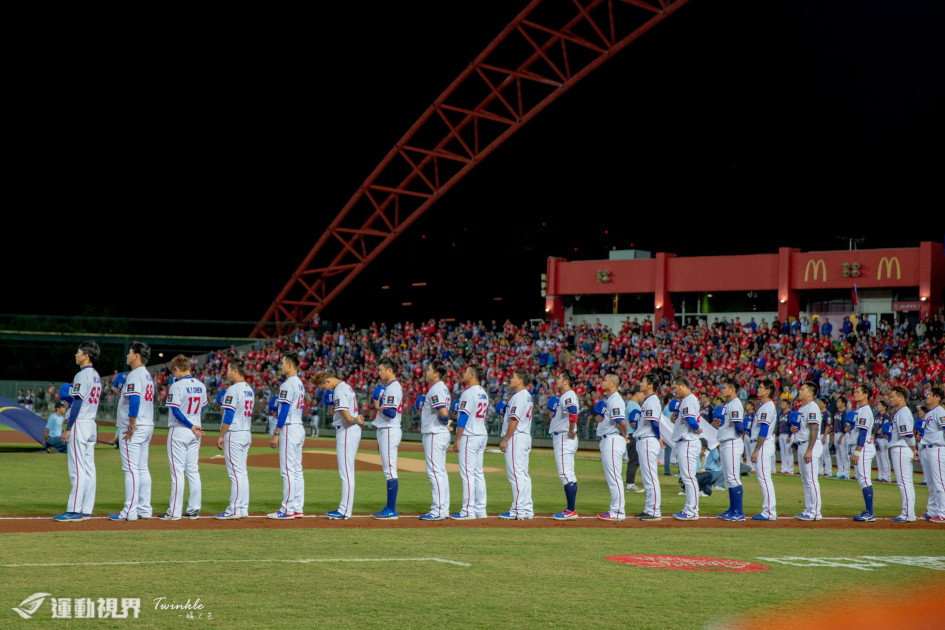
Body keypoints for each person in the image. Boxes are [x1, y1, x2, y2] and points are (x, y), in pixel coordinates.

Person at [54, 341, 102, 522]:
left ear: (86, 356)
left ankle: (74, 510)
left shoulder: (82, 375)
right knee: (89, 468)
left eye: (78, 352)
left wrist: (68, 428)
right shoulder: (96, 375)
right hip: (91, 423)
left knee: (77, 468)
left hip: (80, 423)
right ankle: (86, 508)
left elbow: (79, 402)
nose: (76, 355)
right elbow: (80, 401)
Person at [109, 341, 155, 522]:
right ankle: (144, 508)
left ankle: (129, 511)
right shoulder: (146, 375)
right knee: (142, 468)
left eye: (129, 353)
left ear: (136, 355)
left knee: (130, 470)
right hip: (147, 425)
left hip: (136, 427)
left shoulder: (135, 374)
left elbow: (134, 400)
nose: (127, 355)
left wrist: (131, 425)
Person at [160, 354, 206, 520]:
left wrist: (189, 424)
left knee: (177, 472)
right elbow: (201, 408)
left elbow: (176, 411)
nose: (174, 375)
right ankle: (194, 508)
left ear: (178, 369)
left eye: (174, 372)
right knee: (193, 470)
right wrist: (194, 423)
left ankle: (174, 511)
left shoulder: (176, 386)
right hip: (196, 430)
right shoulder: (201, 385)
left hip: (181, 429)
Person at [315, 369, 364, 520]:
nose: (324, 389)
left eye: (323, 387)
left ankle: (344, 510)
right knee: (347, 471)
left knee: (346, 472)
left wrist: (357, 420)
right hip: (347, 430)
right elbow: (342, 412)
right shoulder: (345, 387)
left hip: (347, 430)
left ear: (328, 381)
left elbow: (348, 417)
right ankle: (344, 509)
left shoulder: (340, 391)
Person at [215, 358, 255, 520]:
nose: (227, 373)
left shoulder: (233, 389)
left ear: (236, 371)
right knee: (242, 473)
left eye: (229, 370)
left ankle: (234, 509)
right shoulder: (249, 389)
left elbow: (229, 415)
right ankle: (243, 508)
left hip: (235, 433)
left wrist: (221, 435)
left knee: (235, 474)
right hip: (246, 432)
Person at [268, 351, 306, 520]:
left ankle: (287, 509)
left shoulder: (288, 384)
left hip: (289, 428)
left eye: (283, 363)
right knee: (297, 470)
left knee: (288, 470)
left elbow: (283, 411)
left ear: (290, 365)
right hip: (298, 426)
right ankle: (297, 507)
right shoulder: (299, 384)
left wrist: (276, 432)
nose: (281, 366)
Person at [450, 364, 489, 520]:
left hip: (470, 435)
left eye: (466, 372)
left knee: (467, 474)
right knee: (478, 473)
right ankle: (480, 509)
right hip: (481, 434)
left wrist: (457, 439)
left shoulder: (468, 393)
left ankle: (467, 510)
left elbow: (464, 417)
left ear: (472, 375)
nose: (463, 374)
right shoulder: (483, 393)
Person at [371, 357, 404, 520]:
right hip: (385, 430)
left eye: (381, 370)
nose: (379, 373)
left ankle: (391, 509)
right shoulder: (389, 387)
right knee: (388, 469)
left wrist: (377, 405)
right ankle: (389, 508)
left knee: (390, 469)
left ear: (389, 370)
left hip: (390, 430)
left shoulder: (393, 388)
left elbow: (391, 413)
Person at [419, 360, 451, 520]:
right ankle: (443, 509)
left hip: (434, 434)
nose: (426, 372)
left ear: (436, 374)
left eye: (429, 370)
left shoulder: (436, 389)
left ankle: (438, 510)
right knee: (441, 472)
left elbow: (444, 412)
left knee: (435, 472)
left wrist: (444, 421)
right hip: (439, 433)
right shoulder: (442, 388)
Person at [499, 368, 534, 520]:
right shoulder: (526, 396)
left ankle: (518, 509)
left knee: (515, 474)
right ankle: (526, 508)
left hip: (517, 437)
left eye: (513, 377)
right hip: (524, 436)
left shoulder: (519, 396)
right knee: (523, 474)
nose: (510, 380)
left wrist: (506, 439)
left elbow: (514, 420)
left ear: (520, 380)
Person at [547, 369, 580, 520]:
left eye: (559, 378)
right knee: (569, 474)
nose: (557, 380)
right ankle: (570, 509)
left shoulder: (568, 395)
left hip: (563, 437)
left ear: (566, 381)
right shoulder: (566, 396)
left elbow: (573, 411)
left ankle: (571, 510)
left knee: (565, 474)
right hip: (564, 436)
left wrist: (571, 430)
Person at [595, 372, 627, 521]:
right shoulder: (609, 400)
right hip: (608, 439)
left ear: (613, 384)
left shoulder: (615, 399)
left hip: (613, 439)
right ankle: (616, 509)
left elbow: (621, 422)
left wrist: (624, 435)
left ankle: (618, 511)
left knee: (614, 477)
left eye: (605, 380)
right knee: (612, 477)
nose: (602, 382)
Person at [670, 376, 703, 521]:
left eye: (675, 388)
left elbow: (691, 420)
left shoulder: (688, 400)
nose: (674, 391)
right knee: (687, 477)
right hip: (685, 442)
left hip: (688, 442)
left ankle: (692, 510)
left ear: (682, 386)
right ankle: (689, 507)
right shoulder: (687, 401)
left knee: (689, 477)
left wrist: (696, 428)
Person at [714, 377, 746, 521]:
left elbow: (739, 426)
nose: (722, 389)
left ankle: (738, 512)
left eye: (725, 387)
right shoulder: (729, 404)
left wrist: (738, 434)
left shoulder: (735, 404)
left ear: (732, 389)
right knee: (728, 478)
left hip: (732, 442)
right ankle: (732, 509)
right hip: (727, 442)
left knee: (733, 477)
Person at [792, 381, 824, 521]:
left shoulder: (813, 407)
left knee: (811, 479)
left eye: (803, 389)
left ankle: (815, 512)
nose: (800, 391)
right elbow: (804, 428)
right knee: (805, 480)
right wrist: (795, 430)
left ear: (810, 393)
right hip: (802, 444)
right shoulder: (802, 408)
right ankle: (808, 509)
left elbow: (814, 429)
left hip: (810, 445)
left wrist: (810, 450)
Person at [634, 373, 663, 521]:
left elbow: (654, 423)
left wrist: (658, 438)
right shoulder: (648, 400)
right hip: (644, 440)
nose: (641, 383)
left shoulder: (652, 401)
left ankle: (654, 511)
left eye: (644, 381)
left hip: (648, 440)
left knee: (651, 477)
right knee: (647, 478)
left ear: (650, 385)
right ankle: (649, 508)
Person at [887, 385, 918, 522]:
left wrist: (913, 449)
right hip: (902, 448)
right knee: (907, 483)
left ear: (901, 398)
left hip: (901, 448)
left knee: (904, 483)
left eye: (893, 396)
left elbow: (908, 435)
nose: (891, 398)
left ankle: (907, 514)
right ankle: (909, 513)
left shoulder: (903, 412)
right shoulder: (900, 412)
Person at [750, 378, 777, 520]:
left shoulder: (767, 406)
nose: (758, 389)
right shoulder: (766, 406)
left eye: (761, 387)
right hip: (765, 443)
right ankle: (768, 511)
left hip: (764, 444)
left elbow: (764, 429)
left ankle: (769, 512)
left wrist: (756, 450)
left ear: (767, 391)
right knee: (764, 478)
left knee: (764, 479)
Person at [849, 384, 877, 522]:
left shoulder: (865, 410)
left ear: (865, 395)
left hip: (863, 447)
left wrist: (857, 452)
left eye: (858, 391)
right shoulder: (860, 410)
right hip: (861, 447)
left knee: (865, 479)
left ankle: (870, 513)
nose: (855, 393)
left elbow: (863, 432)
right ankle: (868, 510)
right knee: (862, 479)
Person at [918, 387, 944, 523]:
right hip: (927, 448)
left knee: (940, 481)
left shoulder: (939, 412)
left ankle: (943, 512)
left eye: (930, 394)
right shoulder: (929, 413)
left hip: (937, 449)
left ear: (937, 398)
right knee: (931, 482)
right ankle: (932, 510)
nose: (927, 396)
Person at [874, 399, 892, 483]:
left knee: (884, 457)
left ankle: (887, 476)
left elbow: (885, 427)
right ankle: (880, 475)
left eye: (880, 405)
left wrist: (878, 432)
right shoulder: (877, 415)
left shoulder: (886, 416)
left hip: (883, 438)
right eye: (878, 405)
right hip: (877, 438)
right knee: (878, 457)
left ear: (885, 407)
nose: (878, 406)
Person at [777, 398, 794, 474]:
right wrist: (777, 434)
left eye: (784, 403)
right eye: (782, 403)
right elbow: (778, 425)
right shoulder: (781, 414)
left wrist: (790, 435)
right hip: (781, 434)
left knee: (788, 452)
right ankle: (783, 468)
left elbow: (792, 425)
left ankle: (790, 469)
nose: (782, 404)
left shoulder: (790, 413)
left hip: (788, 434)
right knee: (782, 452)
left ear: (788, 405)